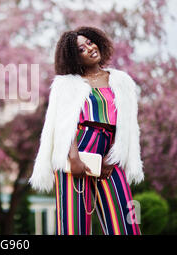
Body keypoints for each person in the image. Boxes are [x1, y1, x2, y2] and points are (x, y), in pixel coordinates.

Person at [29, 26, 144, 235]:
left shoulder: (121, 81)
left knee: (125, 226)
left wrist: (115, 156)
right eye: (81, 49)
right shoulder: (67, 85)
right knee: (74, 227)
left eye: (89, 42)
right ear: (75, 58)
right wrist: (73, 157)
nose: (89, 49)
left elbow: (128, 125)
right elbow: (64, 124)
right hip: (76, 155)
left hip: (110, 154)